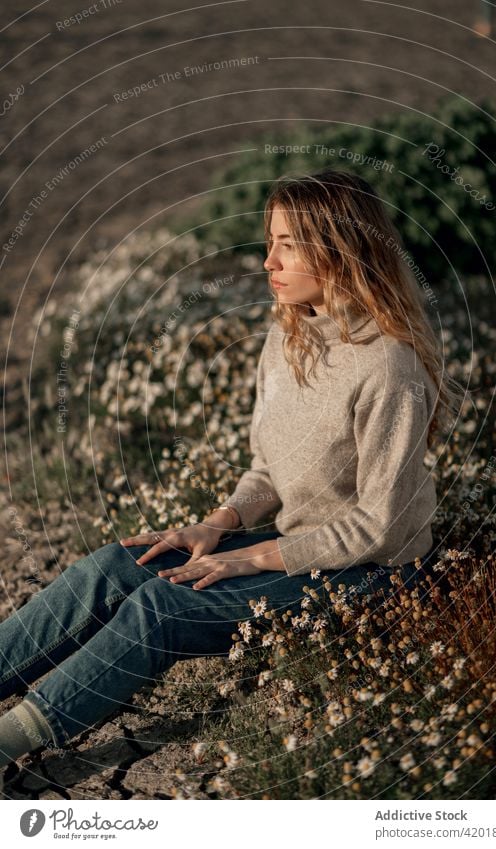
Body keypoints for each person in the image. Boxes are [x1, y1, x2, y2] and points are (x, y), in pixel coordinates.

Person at [0, 168, 463, 788]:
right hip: (296, 551)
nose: (267, 259)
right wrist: (219, 524)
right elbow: (270, 467)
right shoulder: (289, 335)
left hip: (371, 575)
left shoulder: (389, 366)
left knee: (158, 607)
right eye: (267, 240)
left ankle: (12, 740)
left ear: (339, 247)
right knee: (117, 563)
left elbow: (382, 526)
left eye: (287, 244)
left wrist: (253, 560)